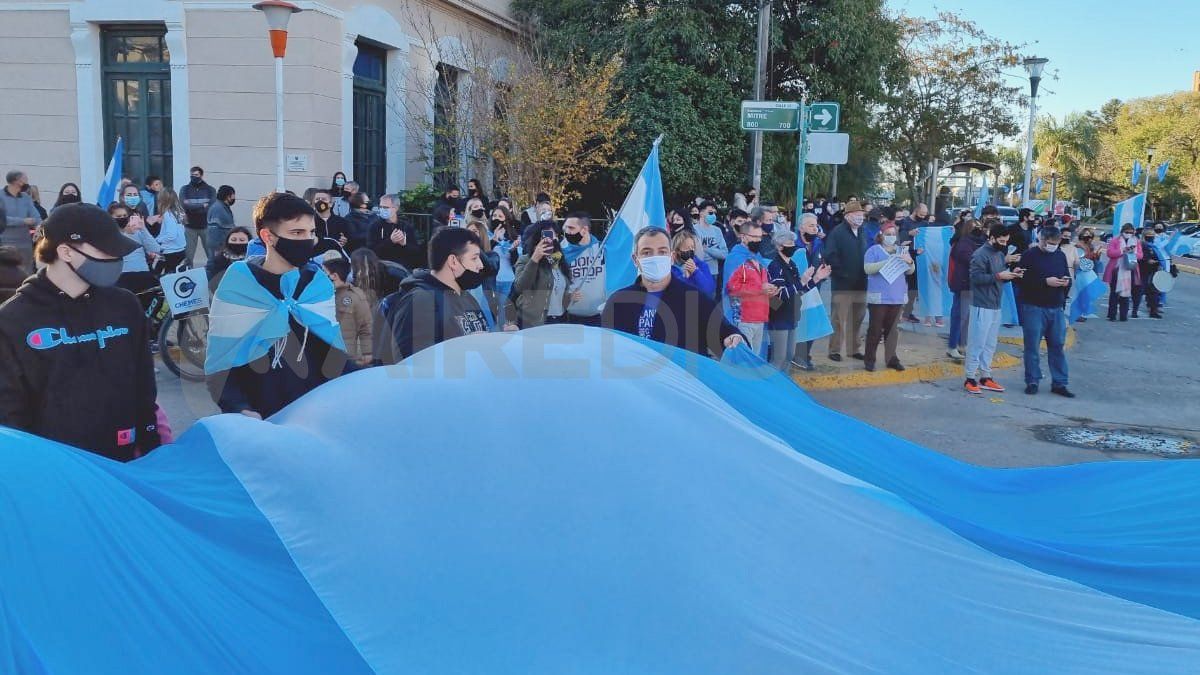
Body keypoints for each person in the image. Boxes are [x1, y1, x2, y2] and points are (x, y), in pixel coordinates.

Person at [0, 203, 159, 460]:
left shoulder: (125, 305)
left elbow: (143, 385)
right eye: (106, 249)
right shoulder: (13, 319)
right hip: (55, 471)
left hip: (124, 461)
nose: (116, 257)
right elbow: (9, 412)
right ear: (66, 252)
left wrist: (152, 444)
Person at [205, 192, 350, 419]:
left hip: (316, 415)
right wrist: (239, 407)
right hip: (261, 417)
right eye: (296, 233)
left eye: (311, 232)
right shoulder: (240, 285)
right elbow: (221, 361)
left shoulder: (316, 284)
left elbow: (332, 354)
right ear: (268, 236)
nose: (307, 240)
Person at [604, 226, 744, 356]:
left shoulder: (694, 300)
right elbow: (606, 349)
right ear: (636, 260)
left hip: (683, 379)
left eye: (662, 252)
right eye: (647, 252)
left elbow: (724, 332)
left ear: (671, 257)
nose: (655, 257)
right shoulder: (619, 302)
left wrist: (733, 337)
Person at [375, 226, 488, 364]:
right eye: (475, 258)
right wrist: (465, 346)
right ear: (453, 261)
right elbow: (414, 365)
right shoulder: (419, 301)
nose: (481, 265)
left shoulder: (466, 297)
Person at [964, 222, 1022, 395]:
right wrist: (999, 276)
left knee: (990, 344)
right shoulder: (980, 254)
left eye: (1006, 241)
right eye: (1002, 241)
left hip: (995, 304)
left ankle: (985, 375)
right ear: (992, 237)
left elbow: (999, 275)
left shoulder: (998, 253)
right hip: (982, 304)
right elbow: (975, 278)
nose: (1004, 244)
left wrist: (1012, 274)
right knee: (977, 343)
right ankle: (970, 377)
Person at [1018, 226, 1073, 397]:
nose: (1052, 246)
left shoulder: (1060, 255)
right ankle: (1032, 380)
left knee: (1057, 345)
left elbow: (1065, 274)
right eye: (1049, 243)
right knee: (1032, 345)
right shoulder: (1029, 256)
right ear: (1041, 240)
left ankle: (1059, 382)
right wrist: (1044, 282)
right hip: (1034, 306)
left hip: (1055, 306)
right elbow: (1021, 279)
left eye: (1055, 243)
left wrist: (1066, 282)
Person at [766, 229, 829, 371]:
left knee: (789, 355)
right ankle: (772, 387)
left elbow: (799, 291)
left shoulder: (792, 265)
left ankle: (785, 386)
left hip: (792, 315)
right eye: (789, 243)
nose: (793, 245)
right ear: (779, 246)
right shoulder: (775, 266)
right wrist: (801, 282)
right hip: (779, 316)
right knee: (779, 357)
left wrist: (816, 279)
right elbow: (779, 295)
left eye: (793, 242)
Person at [862, 221, 915, 372]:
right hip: (879, 297)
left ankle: (891, 358)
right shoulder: (873, 250)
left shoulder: (901, 250)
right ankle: (869, 359)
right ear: (881, 235)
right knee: (875, 329)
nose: (891, 237)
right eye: (888, 234)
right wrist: (887, 262)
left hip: (897, 296)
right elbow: (867, 268)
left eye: (893, 234)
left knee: (892, 331)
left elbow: (910, 271)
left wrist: (909, 261)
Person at [824, 199, 870, 362]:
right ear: (848, 216)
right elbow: (830, 255)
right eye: (857, 215)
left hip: (861, 282)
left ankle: (853, 348)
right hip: (842, 283)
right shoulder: (837, 233)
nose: (860, 218)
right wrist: (842, 273)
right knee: (838, 318)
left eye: (861, 215)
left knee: (857, 318)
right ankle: (834, 349)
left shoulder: (863, 231)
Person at [724, 221, 774, 353]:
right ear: (743, 236)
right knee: (744, 358)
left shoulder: (757, 257)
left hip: (759, 315)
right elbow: (732, 289)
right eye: (754, 237)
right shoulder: (735, 258)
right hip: (743, 317)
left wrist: (772, 292)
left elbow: (762, 284)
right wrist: (760, 290)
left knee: (755, 358)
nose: (758, 240)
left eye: (760, 237)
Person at [511, 219, 571, 328]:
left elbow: (560, 290)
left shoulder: (559, 260)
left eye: (554, 236)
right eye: (546, 236)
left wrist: (570, 297)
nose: (551, 240)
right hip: (532, 322)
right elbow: (520, 287)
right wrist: (535, 259)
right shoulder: (525, 260)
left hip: (559, 320)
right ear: (537, 238)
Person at [110, 202, 161, 314]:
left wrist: (143, 229)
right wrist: (122, 232)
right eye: (118, 217)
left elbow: (156, 248)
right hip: (123, 277)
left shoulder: (138, 232)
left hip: (143, 275)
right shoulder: (109, 235)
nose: (122, 219)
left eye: (124, 216)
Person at [947, 215, 985, 360]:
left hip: (970, 284)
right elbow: (972, 260)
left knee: (966, 317)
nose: (979, 230)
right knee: (959, 317)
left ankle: (962, 345)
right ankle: (952, 346)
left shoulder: (977, 242)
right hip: (963, 284)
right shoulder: (963, 243)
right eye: (976, 228)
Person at [323, 258, 373, 366]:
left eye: (324, 273)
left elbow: (366, 326)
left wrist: (367, 352)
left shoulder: (356, 296)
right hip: (327, 354)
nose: (321, 277)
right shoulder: (323, 295)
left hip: (350, 357)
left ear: (334, 276)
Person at [370, 193, 423, 271]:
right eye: (380, 207)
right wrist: (390, 241)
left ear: (396, 208)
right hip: (382, 267)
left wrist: (404, 244)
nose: (382, 209)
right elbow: (372, 250)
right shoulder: (375, 226)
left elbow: (416, 252)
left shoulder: (406, 226)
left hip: (403, 268)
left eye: (385, 207)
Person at [1, 170, 41, 272]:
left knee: (26, 273)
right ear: (17, 181)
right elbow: (3, 219)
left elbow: (36, 217)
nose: (27, 183)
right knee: (5, 272)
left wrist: (39, 227)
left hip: (25, 244)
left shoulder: (26, 198)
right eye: (25, 180)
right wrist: (23, 221)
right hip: (5, 243)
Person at [1104, 223, 1142, 322]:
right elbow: (1110, 253)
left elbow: (1140, 255)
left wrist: (1132, 252)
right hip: (1116, 269)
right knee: (1114, 293)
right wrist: (1122, 251)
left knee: (1126, 293)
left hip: (1130, 270)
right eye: (1127, 232)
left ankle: (1123, 315)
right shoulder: (1115, 240)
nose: (1129, 234)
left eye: (1131, 232)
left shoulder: (1136, 241)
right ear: (1122, 232)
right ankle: (1112, 315)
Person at [180, 166, 217, 265]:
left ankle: (213, 275)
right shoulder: (185, 189)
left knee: (211, 255)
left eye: (196, 175)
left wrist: (192, 206)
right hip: (189, 227)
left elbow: (210, 207)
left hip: (206, 226)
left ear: (201, 175)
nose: (193, 177)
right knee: (188, 257)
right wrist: (202, 205)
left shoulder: (210, 190)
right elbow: (184, 205)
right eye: (192, 175)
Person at [671, 230, 715, 298]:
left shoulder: (702, 265)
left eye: (692, 247)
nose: (691, 250)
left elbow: (709, 290)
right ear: (678, 251)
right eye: (687, 248)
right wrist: (685, 278)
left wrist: (696, 272)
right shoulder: (671, 270)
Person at [154, 187, 188, 273]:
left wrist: (157, 240)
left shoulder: (168, 214)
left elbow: (171, 235)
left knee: (160, 275)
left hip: (170, 251)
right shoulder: (180, 212)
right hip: (180, 250)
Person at [1132, 227, 1162, 319]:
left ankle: (1153, 311)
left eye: (1153, 235)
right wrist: (1148, 260)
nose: (1151, 236)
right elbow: (1139, 257)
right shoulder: (1141, 245)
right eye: (1149, 235)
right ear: (1144, 236)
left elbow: (1159, 257)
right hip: (1143, 271)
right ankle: (1134, 311)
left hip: (1153, 271)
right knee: (1139, 292)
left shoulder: (1154, 246)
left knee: (1154, 293)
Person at [692, 200, 727, 279]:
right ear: (701, 213)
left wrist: (706, 249)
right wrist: (714, 252)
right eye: (710, 212)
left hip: (713, 273)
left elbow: (724, 254)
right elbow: (694, 254)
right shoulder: (693, 230)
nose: (713, 215)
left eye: (715, 213)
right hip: (696, 271)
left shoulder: (717, 230)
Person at [206, 185, 237, 255]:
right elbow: (214, 231)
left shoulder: (224, 208)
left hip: (224, 247)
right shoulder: (218, 209)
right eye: (233, 195)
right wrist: (217, 250)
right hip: (219, 249)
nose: (234, 198)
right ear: (227, 196)